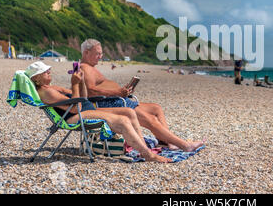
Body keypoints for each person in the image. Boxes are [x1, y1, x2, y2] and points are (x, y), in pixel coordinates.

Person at [26, 61, 171, 163]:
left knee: (129, 112)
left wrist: (80, 82)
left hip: (84, 109)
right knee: (122, 121)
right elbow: (76, 107)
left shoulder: (52, 88)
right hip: (73, 117)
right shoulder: (46, 93)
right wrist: (75, 84)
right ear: (37, 78)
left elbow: (82, 98)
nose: (49, 71)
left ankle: (142, 148)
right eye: (45, 71)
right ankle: (148, 155)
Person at [80, 39, 204, 152]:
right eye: (98, 54)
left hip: (118, 99)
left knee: (156, 108)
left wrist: (122, 92)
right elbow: (91, 91)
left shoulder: (90, 67)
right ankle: (185, 145)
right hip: (110, 103)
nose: (100, 57)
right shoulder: (85, 68)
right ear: (86, 53)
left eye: (101, 53)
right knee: (151, 120)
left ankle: (167, 142)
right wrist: (118, 92)